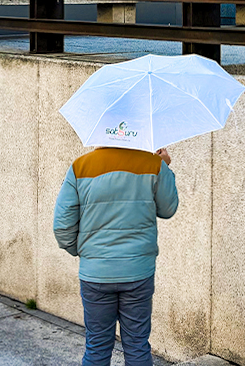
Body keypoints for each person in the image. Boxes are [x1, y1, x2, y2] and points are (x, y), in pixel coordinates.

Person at [53, 145, 179, 366]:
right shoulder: (152, 165)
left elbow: (62, 227)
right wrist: (164, 167)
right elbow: (167, 209)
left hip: (95, 274)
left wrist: (85, 253)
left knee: (97, 346)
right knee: (137, 345)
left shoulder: (80, 167)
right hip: (138, 272)